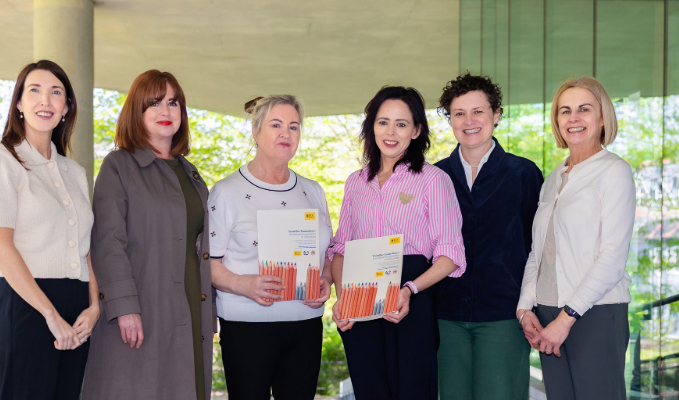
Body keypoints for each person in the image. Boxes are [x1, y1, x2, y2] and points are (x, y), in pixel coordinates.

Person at [82, 70, 214, 400]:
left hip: (189, 310)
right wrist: (125, 307)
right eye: (154, 103)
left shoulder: (190, 173)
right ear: (136, 112)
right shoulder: (119, 166)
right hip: (141, 308)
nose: (166, 111)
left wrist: (210, 314)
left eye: (173, 102)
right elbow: (107, 241)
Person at [329, 86, 467, 400]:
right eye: (383, 122)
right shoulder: (355, 182)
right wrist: (342, 298)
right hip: (360, 301)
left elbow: (451, 255)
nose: (391, 132)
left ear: (417, 130)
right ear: (371, 126)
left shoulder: (433, 179)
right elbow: (341, 249)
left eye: (402, 124)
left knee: (413, 390)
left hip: (412, 299)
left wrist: (409, 289)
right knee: (369, 389)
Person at [0, 60, 98, 399]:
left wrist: (94, 307)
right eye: (34, 90)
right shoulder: (1, 160)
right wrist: (49, 314)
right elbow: (1, 247)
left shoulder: (75, 172)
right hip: (25, 304)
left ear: (66, 107)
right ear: (18, 103)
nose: (45, 101)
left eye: (56, 92)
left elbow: (86, 246)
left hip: (77, 308)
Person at [516, 77, 636, 400]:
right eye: (565, 111)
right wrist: (525, 308)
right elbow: (537, 254)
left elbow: (612, 258)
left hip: (593, 315)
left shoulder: (615, 171)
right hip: (547, 315)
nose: (574, 118)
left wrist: (566, 319)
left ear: (602, 118)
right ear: (557, 121)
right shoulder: (554, 178)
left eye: (584, 109)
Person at [207, 94, 333, 400]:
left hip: (305, 324)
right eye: (276, 124)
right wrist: (242, 283)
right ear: (255, 131)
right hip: (247, 325)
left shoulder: (313, 191)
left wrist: (326, 280)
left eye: (294, 126)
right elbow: (207, 262)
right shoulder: (226, 192)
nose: (286, 133)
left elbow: (327, 254)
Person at [433, 73, 543, 400]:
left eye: (478, 111)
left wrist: (529, 305)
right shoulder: (434, 177)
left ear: (496, 115)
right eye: (459, 113)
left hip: (504, 317)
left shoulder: (523, 174)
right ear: (450, 120)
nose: (469, 121)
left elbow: (537, 249)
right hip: (445, 317)